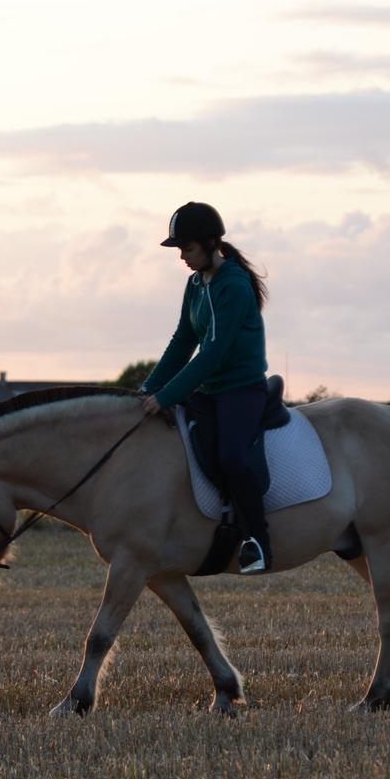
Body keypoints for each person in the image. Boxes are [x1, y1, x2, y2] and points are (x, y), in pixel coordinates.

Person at [140, 202, 273, 573]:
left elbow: (213, 354)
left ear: (211, 243)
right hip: (210, 393)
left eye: (187, 248)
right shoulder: (196, 283)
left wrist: (166, 396)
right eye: (180, 249)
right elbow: (183, 341)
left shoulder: (234, 285)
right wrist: (146, 390)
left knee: (232, 456)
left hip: (241, 391)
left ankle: (258, 542)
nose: (182, 256)